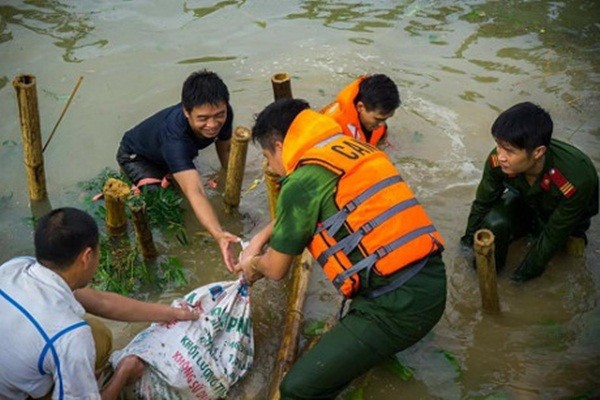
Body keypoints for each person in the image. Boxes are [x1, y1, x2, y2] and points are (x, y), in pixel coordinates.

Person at [235, 99, 447, 399]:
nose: (270, 167)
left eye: (268, 157)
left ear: (281, 146)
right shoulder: (351, 149)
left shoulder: (300, 182)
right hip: (431, 281)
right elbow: (311, 203)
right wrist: (259, 238)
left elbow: (276, 269)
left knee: (296, 389)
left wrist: (251, 265)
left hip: (397, 308)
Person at [0, 207, 199, 400]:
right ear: (87, 257)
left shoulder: (15, 267)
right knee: (91, 339)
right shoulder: (71, 336)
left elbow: (101, 302)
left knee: (97, 334)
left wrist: (174, 313)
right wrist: (123, 375)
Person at [461, 102, 599, 282]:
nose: (500, 156)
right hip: (527, 202)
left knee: (566, 256)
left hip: (566, 218)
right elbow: (483, 203)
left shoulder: (575, 178)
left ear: (538, 152)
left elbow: (551, 236)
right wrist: (467, 245)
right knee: (494, 222)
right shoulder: (499, 160)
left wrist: (519, 280)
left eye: (509, 151)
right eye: (498, 145)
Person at [116, 69, 239, 270]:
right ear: (186, 112)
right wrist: (218, 234)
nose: (212, 124)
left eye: (219, 115)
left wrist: (231, 180)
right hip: (136, 158)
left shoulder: (222, 113)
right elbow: (195, 191)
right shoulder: (175, 140)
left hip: (166, 151)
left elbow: (225, 147)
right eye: (202, 118)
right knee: (171, 208)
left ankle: (176, 169)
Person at [321, 74, 401, 146]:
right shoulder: (331, 126)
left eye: (386, 119)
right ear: (360, 107)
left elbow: (381, 143)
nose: (382, 124)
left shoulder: (378, 121)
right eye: (378, 119)